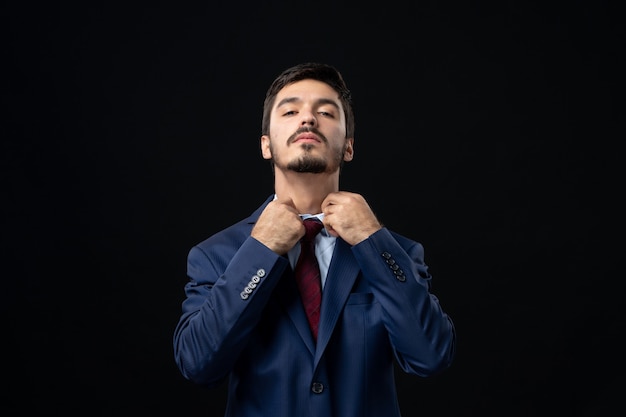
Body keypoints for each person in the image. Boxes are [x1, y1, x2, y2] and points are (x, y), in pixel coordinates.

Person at [173, 62, 456, 417]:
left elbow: (430, 356)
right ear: (266, 145)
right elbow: (199, 364)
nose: (308, 119)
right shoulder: (215, 255)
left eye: (325, 112)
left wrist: (372, 239)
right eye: (291, 111)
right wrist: (260, 251)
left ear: (348, 146)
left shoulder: (395, 252)